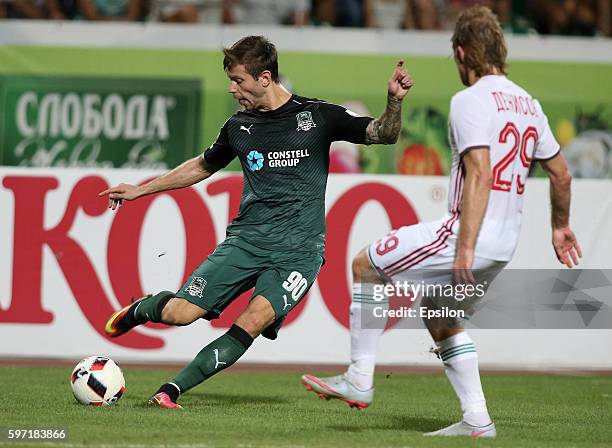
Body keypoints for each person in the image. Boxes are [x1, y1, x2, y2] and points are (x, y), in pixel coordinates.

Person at [302, 6, 582, 438]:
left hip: (468, 235)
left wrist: (464, 247)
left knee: (365, 265)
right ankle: (477, 420)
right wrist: (560, 226)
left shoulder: (470, 101)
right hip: (503, 243)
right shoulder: (529, 103)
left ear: (462, 51)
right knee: (440, 312)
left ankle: (359, 377)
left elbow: (481, 173)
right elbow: (560, 173)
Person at [100, 35, 414, 409]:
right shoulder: (239, 127)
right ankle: (142, 309)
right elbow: (202, 166)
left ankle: (170, 391)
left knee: (253, 320)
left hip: (299, 253)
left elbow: (384, 134)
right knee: (181, 314)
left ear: (264, 78)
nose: (233, 89)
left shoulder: (318, 117)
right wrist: (140, 189)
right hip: (246, 242)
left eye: (239, 81)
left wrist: (394, 101)